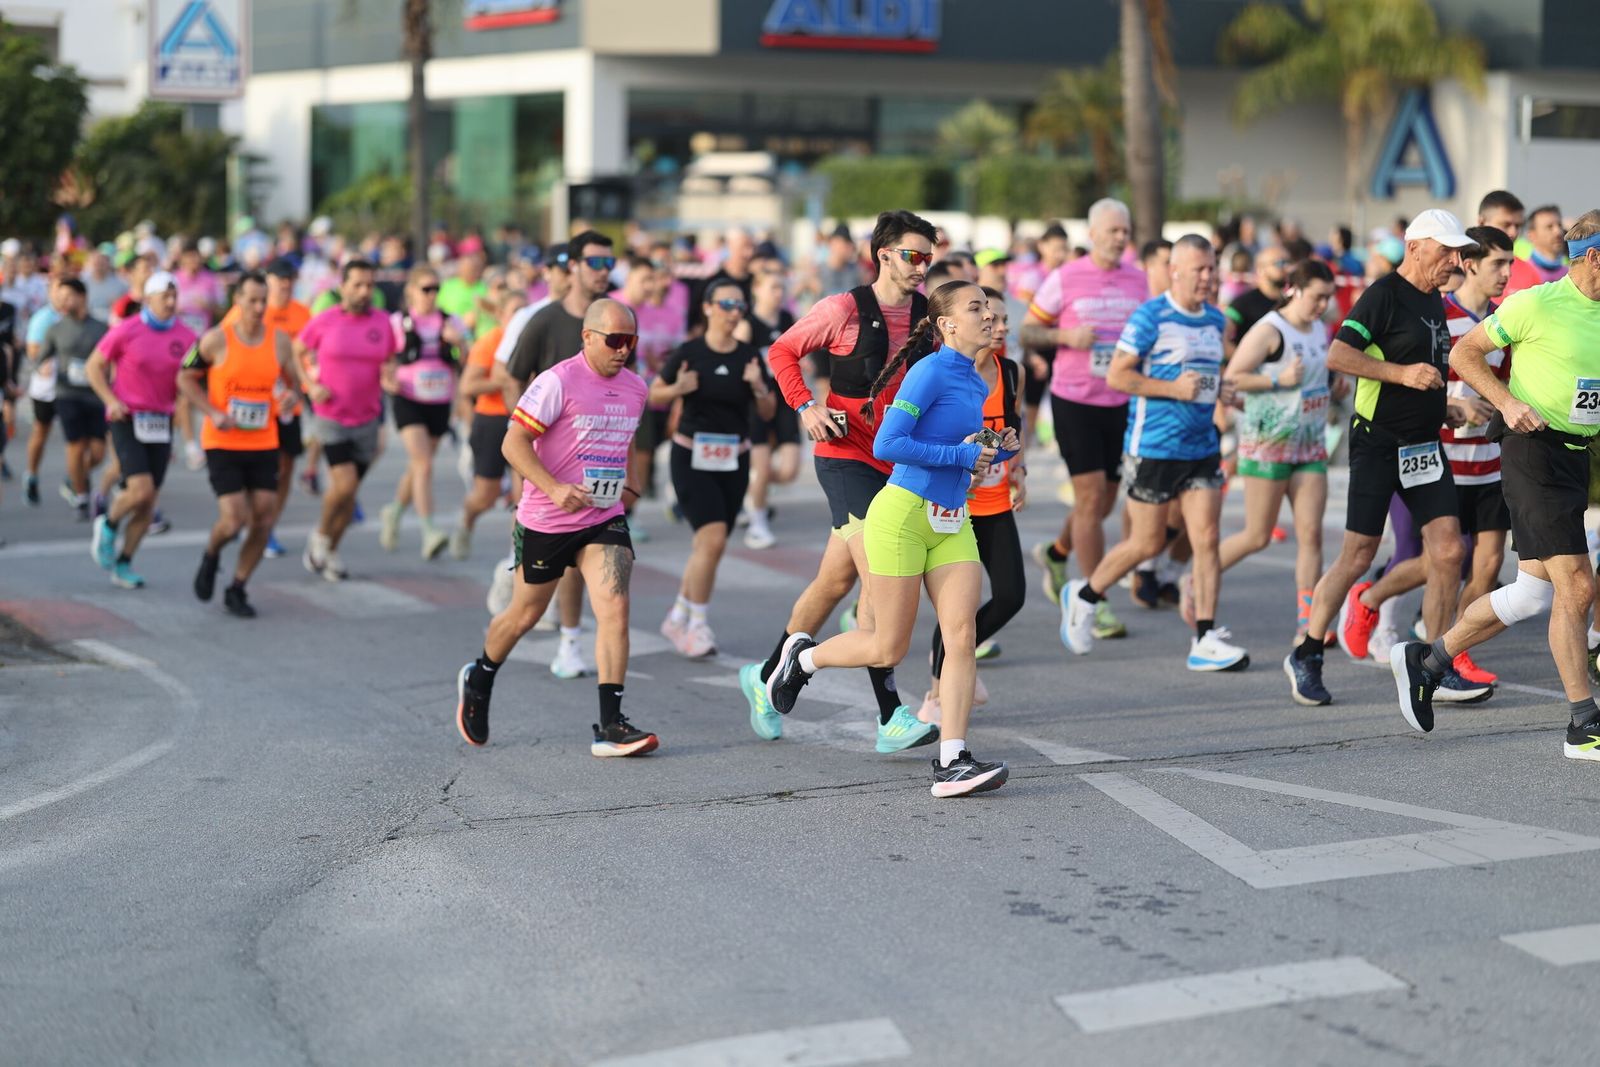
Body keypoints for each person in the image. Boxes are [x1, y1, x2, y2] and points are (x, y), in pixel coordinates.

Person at [765, 281, 1018, 797]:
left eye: (990, 309)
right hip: (902, 516)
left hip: (952, 520)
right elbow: (889, 443)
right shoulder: (928, 372)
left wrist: (998, 449)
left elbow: (964, 451)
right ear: (947, 325)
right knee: (888, 645)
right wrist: (963, 457)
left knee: (962, 636)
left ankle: (953, 760)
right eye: (977, 309)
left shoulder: (975, 380)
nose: (990, 316)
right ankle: (801, 659)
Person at [1390, 210, 1600, 757]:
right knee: (1577, 586)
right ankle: (1583, 723)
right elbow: (1465, 353)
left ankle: (1428, 660)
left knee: (1532, 593)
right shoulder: (1537, 303)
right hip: (1532, 453)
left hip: (1578, 456)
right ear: (1594, 258)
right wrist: (1507, 402)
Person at [739, 209, 938, 754]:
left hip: (894, 461)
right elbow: (782, 352)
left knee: (833, 584)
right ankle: (890, 714)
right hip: (843, 454)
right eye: (912, 255)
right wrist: (804, 406)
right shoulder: (844, 309)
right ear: (883, 255)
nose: (921, 267)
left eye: (928, 257)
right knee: (882, 581)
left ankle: (763, 676)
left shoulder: (929, 317)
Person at [1284, 209, 1487, 706]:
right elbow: (1339, 355)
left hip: (1424, 443)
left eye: (1459, 252)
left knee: (1448, 551)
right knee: (1357, 555)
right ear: (1415, 246)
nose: (1455, 261)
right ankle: (1308, 652)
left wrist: (1447, 408)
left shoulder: (1435, 301)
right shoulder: (1382, 294)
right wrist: (1400, 375)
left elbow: (1426, 377)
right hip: (1377, 442)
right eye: (1446, 251)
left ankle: (1432, 664)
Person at [453, 299, 656, 755]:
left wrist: (633, 486)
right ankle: (481, 675)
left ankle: (610, 725)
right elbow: (513, 442)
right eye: (615, 341)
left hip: (603, 517)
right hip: (547, 518)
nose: (624, 350)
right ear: (587, 337)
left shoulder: (636, 388)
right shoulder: (556, 381)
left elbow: (625, 441)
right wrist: (553, 487)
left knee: (615, 609)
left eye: (632, 342)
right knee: (524, 614)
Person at [1058, 235, 1248, 672]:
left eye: (1212, 268)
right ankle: (1084, 595)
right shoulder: (1150, 316)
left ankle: (1205, 636)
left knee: (1207, 538)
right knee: (1145, 543)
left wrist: (1224, 390)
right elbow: (1120, 378)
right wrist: (1171, 390)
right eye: (1199, 269)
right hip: (1153, 447)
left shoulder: (1216, 321)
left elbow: (1203, 377)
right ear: (1175, 270)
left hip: (1201, 445)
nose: (1208, 277)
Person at [1338, 227, 1516, 682]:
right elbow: (1411, 380)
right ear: (1469, 264)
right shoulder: (1439, 312)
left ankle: (1451, 650)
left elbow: (1507, 387)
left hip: (1488, 461)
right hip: (1440, 457)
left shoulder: (1504, 323)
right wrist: (1453, 404)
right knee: (1437, 556)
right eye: (1499, 263)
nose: (1507, 273)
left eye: (1511, 263)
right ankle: (1370, 600)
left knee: (1488, 564)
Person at [1022, 199, 1144, 642]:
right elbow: (1027, 331)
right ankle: (1095, 599)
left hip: (1123, 402)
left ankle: (1057, 553)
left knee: (1106, 501)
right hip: (1075, 400)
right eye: (1112, 230)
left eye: (1124, 230)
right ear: (1092, 234)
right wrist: (1065, 336)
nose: (1120, 237)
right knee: (1091, 500)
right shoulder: (1066, 276)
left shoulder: (1139, 279)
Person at [504, 232, 617, 679]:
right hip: (544, 461)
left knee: (590, 546)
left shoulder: (616, 319)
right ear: (572, 266)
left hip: (600, 461)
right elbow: (513, 377)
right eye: (595, 261)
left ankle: (571, 640)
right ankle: (518, 582)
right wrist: (527, 443)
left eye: (609, 261)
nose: (604, 269)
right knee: (537, 577)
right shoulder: (543, 319)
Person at [918, 287, 1025, 723]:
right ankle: (937, 692)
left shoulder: (1010, 371)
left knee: (1012, 595)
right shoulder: (945, 375)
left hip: (996, 499)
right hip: (954, 505)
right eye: (989, 317)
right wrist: (962, 463)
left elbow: (1013, 423)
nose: (998, 327)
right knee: (956, 613)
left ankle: (958, 662)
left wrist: (1018, 467)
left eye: (1002, 321)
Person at [653, 281, 776, 657]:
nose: (734, 311)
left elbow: (768, 412)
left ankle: (677, 615)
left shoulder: (750, 357)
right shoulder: (688, 353)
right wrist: (678, 388)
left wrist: (757, 386)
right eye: (726, 303)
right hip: (691, 457)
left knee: (708, 546)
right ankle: (697, 626)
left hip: (734, 459)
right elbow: (654, 394)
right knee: (713, 539)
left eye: (740, 304)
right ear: (707, 308)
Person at [180, 273, 313, 616]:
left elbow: (295, 384)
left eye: (262, 300)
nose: (258, 307)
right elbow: (185, 377)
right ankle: (211, 556)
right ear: (236, 300)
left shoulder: (279, 341)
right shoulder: (215, 340)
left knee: (263, 518)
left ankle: (237, 587)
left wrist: (290, 398)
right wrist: (211, 410)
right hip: (222, 441)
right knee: (234, 518)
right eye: (251, 300)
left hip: (263, 441)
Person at [1217, 260, 1338, 634]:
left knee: (1311, 535)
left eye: (1328, 299)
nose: (1322, 306)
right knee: (1257, 535)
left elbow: (1316, 377)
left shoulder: (1320, 328)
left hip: (1309, 446)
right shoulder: (1270, 330)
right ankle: (1197, 578)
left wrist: (1335, 387)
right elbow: (1231, 379)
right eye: (1317, 298)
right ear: (1295, 290)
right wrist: (1277, 377)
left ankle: (1308, 620)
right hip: (1267, 445)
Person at [86, 272, 198, 588]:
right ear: (148, 299)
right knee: (140, 490)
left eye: (175, 296)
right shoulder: (126, 330)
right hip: (127, 417)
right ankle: (107, 525)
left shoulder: (186, 336)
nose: (172, 303)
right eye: (166, 297)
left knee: (148, 506)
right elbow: (93, 366)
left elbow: (192, 380)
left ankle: (123, 563)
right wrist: (110, 400)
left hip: (161, 422)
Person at [295, 260, 399, 581]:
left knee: (349, 495)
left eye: (369, 285)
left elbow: (389, 361)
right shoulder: (324, 321)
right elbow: (297, 350)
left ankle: (330, 550)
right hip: (331, 417)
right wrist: (310, 385)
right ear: (342, 287)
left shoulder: (382, 323)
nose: (364, 291)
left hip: (368, 417)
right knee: (345, 485)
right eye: (357, 284)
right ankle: (321, 538)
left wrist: (390, 378)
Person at [379, 265, 466, 560]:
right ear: (411, 291)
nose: (431, 295)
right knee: (424, 463)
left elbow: (467, 361)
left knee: (419, 466)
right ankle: (430, 531)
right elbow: (384, 358)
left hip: (439, 400)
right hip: (408, 398)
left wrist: (459, 342)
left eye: (435, 289)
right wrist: (386, 376)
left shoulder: (449, 322)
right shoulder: (397, 322)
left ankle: (393, 512)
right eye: (426, 289)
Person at [455, 288, 526, 558]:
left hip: (524, 422)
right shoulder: (490, 341)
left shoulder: (534, 341)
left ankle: (516, 557)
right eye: (515, 312)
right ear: (500, 315)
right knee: (486, 495)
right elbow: (467, 385)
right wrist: (503, 381)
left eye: (526, 312)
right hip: (492, 420)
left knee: (524, 497)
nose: (521, 318)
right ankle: (466, 521)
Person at [736, 269, 799, 549]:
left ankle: (747, 486)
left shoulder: (787, 319)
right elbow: (736, 364)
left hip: (785, 400)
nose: (779, 292)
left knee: (788, 471)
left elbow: (797, 351)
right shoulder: (747, 325)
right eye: (773, 286)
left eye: (781, 287)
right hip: (756, 401)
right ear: (757, 290)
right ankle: (758, 524)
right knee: (761, 467)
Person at [37, 278, 108, 521]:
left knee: (98, 452)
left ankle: (74, 476)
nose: (64, 302)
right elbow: (40, 357)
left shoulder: (101, 327)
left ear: (83, 297)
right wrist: (43, 366)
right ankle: (81, 496)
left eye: (69, 297)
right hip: (68, 395)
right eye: (61, 297)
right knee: (76, 447)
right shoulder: (55, 329)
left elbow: (115, 357)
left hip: (96, 395)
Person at [1224, 245, 1291, 344]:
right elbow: (1222, 340)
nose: (1287, 268)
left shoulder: (1291, 302)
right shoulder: (1242, 304)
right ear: (1260, 269)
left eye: (1288, 262)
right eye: (1279, 263)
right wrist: (1246, 358)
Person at [1505, 204, 1568, 297]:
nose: (1558, 232)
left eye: (1559, 225)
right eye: (1549, 227)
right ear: (1532, 235)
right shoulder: (1517, 274)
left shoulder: (1570, 275)